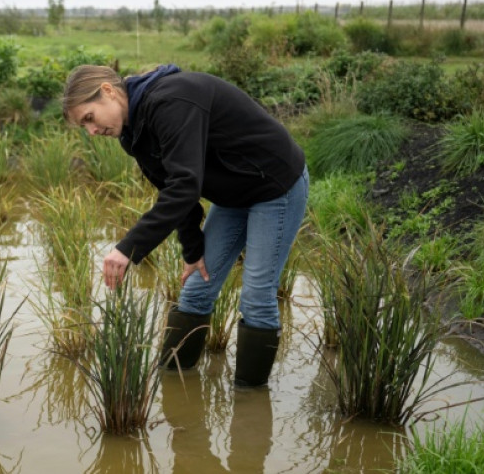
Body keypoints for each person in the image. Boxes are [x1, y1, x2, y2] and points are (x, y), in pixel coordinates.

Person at [62, 64, 308, 387]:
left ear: (108, 91)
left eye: (90, 118)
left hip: (275, 185)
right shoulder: (132, 134)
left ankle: (249, 406)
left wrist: (127, 249)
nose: (92, 132)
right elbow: (173, 190)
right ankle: (173, 388)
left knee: (256, 297)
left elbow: (185, 187)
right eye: (84, 127)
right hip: (233, 195)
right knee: (196, 290)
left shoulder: (172, 101)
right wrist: (193, 251)